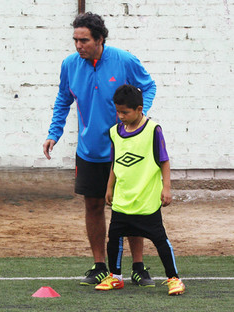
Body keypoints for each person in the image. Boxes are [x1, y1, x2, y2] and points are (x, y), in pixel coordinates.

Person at [42, 12, 157, 286]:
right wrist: (53, 133)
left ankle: (138, 266)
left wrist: (138, 119)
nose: (78, 45)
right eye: (75, 40)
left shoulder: (124, 61)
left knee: (130, 207)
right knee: (93, 205)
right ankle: (99, 265)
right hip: (89, 150)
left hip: (125, 149)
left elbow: (148, 87)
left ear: (100, 39)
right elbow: (63, 99)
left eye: (84, 40)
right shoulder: (70, 65)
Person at [95, 84, 185, 296]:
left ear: (139, 109)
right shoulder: (115, 133)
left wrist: (167, 188)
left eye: (125, 112)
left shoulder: (153, 130)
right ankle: (115, 277)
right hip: (123, 200)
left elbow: (164, 161)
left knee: (160, 240)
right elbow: (115, 163)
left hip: (146, 201)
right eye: (117, 111)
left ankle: (174, 278)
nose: (120, 116)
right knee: (114, 238)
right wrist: (110, 187)